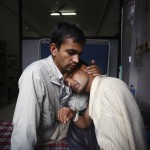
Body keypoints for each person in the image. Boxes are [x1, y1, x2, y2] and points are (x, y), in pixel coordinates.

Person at [11, 22, 100, 150]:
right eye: (71, 52)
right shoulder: (35, 75)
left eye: (79, 54)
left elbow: (85, 115)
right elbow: (24, 130)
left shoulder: (70, 72)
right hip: (46, 137)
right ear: (53, 49)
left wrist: (96, 80)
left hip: (63, 129)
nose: (76, 60)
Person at [59, 60, 148, 150]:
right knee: (74, 126)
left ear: (85, 69)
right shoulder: (99, 89)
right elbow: (86, 122)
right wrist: (73, 114)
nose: (69, 83)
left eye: (70, 75)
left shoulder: (104, 89)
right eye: (66, 82)